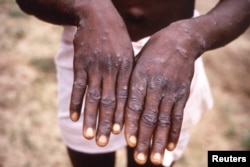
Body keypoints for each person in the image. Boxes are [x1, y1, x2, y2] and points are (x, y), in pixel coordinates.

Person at [16, 0, 250, 166]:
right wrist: (86, 6)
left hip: (173, 58)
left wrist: (191, 38)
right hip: (92, 45)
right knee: (87, 153)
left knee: (153, 157)